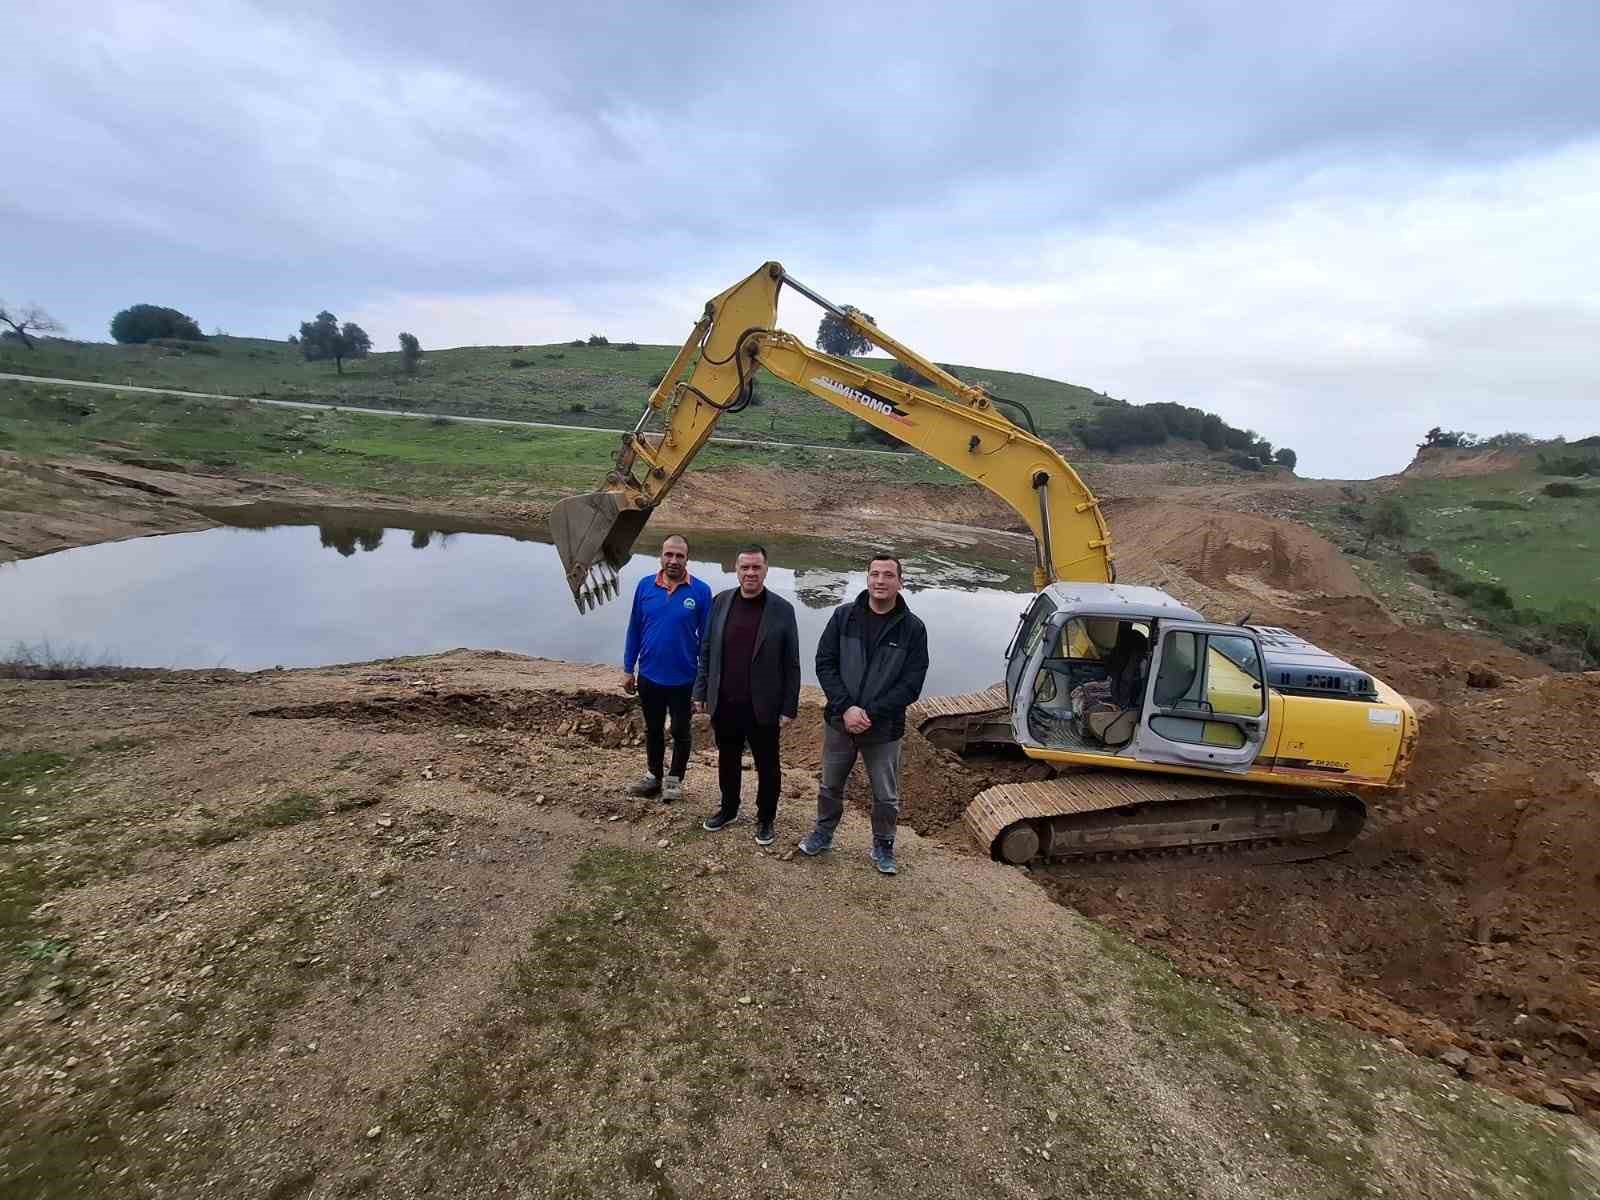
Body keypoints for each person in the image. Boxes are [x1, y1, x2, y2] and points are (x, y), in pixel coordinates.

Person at [799, 552, 929, 875]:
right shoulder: (844, 617)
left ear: (901, 582)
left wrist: (869, 713)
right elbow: (824, 664)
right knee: (830, 785)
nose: (880, 581)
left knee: (886, 795)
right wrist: (846, 708)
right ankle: (823, 833)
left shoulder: (913, 629)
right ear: (867, 578)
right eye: (875, 574)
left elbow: (911, 684)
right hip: (840, 723)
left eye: (888, 575)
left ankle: (883, 845)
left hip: (883, 729)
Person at [692, 545, 801, 845]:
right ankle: (728, 810)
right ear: (736, 569)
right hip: (725, 702)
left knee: (768, 766)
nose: (750, 573)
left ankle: (765, 818)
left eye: (756, 568)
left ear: (766, 570)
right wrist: (701, 690)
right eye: (745, 568)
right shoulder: (720, 601)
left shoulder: (782, 609)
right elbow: (707, 651)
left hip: (762, 707)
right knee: (727, 760)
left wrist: (789, 707)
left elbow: (791, 662)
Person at [621, 534, 712, 801]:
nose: (673, 560)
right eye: (669, 555)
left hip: (684, 679)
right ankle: (653, 777)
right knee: (653, 729)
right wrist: (628, 668)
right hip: (649, 676)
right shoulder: (645, 586)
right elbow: (634, 628)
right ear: (661, 556)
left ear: (687, 558)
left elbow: (707, 641)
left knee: (681, 733)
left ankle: (673, 782)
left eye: (679, 556)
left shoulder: (701, 591)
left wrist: (702, 685)